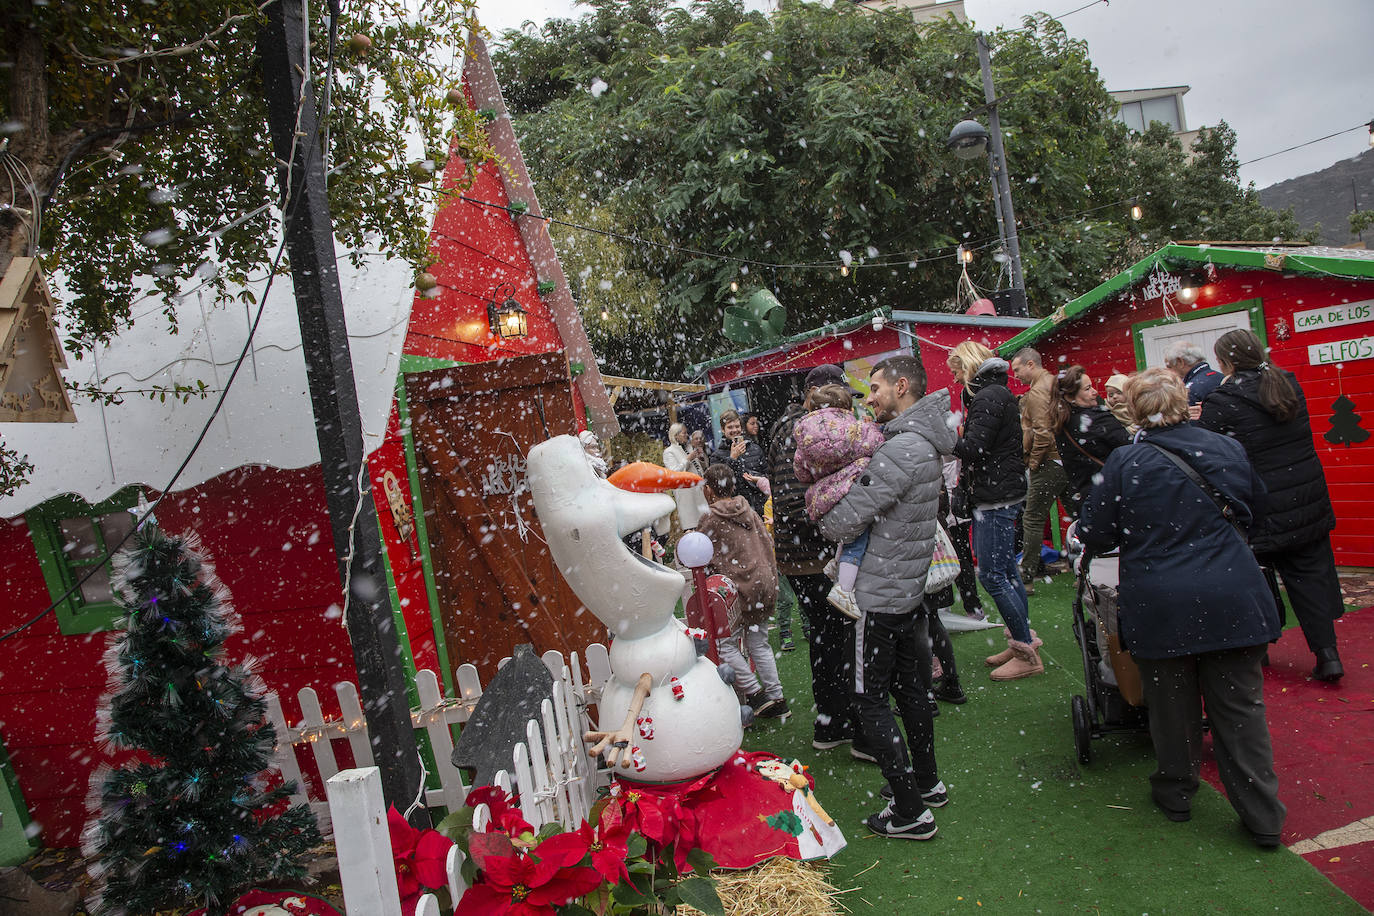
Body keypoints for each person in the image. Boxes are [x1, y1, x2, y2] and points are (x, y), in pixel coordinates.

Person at [1080, 368, 1285, 848]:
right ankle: (1263, 816)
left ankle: (1176, 792)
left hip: (1161, 601)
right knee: (1241, 711)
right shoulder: (1226, 448)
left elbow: (1096, 532)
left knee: (1171, 708)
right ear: (1182, 401)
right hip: (1233, 593)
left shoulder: (1125, 462)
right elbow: (1259, 507)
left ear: (1135, 409)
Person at [818, 354, 954, 841]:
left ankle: (910, 810)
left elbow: (846, 517)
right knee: (910, 689)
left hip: (877, 595)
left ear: (901, 388)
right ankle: (927, 781)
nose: (868, 398)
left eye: (874, 388)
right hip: (905, 588)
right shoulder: (922, 441)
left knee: (868, 699)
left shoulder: (902, 449)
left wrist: (821, 505)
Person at [1201, 329, 1346, 681]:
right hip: (1305, 498)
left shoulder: (1224, 401)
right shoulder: (1287, 384)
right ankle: (1328, 655)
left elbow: (1209, 449)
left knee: (1256, 579)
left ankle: (1260, 650)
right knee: (1308, 578)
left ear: (1227, 363)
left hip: (1260, 505)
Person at [767, 366, 862, 754]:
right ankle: (837, 721)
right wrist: (840, 521)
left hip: (813, 555)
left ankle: (833, 722)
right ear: (813, 394)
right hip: (811, 558)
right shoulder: (798, 432)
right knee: (833, 641)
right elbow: (792, 503)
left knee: (830, 640)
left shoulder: (806, 427)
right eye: (832, 397)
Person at [949, 342, 1043, 681]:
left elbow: (973, 449)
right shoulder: (995, 393)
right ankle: (1022, 640)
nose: (956, 377)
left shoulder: (988, 396)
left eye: (957, 370)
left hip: (996, 496)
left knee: (991, 574)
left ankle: (1025, 651)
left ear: (970, 365)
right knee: (1005, 570)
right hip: (1002, 491)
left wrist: (942, 435)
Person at [695, 463, 789, 719]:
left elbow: (696, 550)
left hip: (738, 586)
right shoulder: (748, 509)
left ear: (709, 490)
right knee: (759, 644)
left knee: (725, 644)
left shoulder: (711, 518)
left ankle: (756, 694)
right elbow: (766, 543)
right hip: (763, 581)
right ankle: (777, 697)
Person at [792, 383, 887, 620]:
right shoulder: (855, 428)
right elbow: (877, 444)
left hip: (825, 500)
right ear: (845, 406)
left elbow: (801, 473)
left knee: (848, 534)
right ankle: (845, 590)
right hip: (852, 491)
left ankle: (837, 563)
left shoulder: (804, 435)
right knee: (858, 537)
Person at [1010, 347, 1071, 592]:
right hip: (1067, 458)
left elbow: (1042, 434)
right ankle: (1085, 565)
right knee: (1079, 513)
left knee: (1032, 519)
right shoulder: (1057, 383)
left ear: (1031, 364)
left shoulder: (1036, 393)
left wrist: (1033, 463)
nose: (1016, 376)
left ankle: (1026, 577)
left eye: (1018, 369)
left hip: (1048, 461)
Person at [1051, 365, 1130, 514]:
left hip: (1087, 498)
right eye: (1087, 389)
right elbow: (1130, 446)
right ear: (1070, 397)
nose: (1095, 392)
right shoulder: (1097, 419)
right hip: (1113, 495)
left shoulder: (1062, 423)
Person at [710, 409, 770, 517]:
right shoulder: (716, 456)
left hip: (760, 507)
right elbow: (720, 486)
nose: (735, 430)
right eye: (730, 427)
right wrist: (732, 458)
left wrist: (757, 479)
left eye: (737, 426)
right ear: (723, 430)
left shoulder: (755, 449)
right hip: (735, 511)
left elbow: (767, 474)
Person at [663, 423, 709, 528]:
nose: (687, 435)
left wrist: (701, 457)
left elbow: (703, 466)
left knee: (705, 524)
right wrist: (688, 459)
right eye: (684, 433)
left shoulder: (688, 447)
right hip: (686, 493)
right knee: (692, 525)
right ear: (676, 435)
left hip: (699, 490)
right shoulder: (669, 452)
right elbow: (674, 473)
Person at [1163, 340, 1223, 417]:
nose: (1168, 372)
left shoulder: (1188, 391)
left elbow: (1190, 427)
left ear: (1180, 362)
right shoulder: (1222, 377)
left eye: (1169, 367)